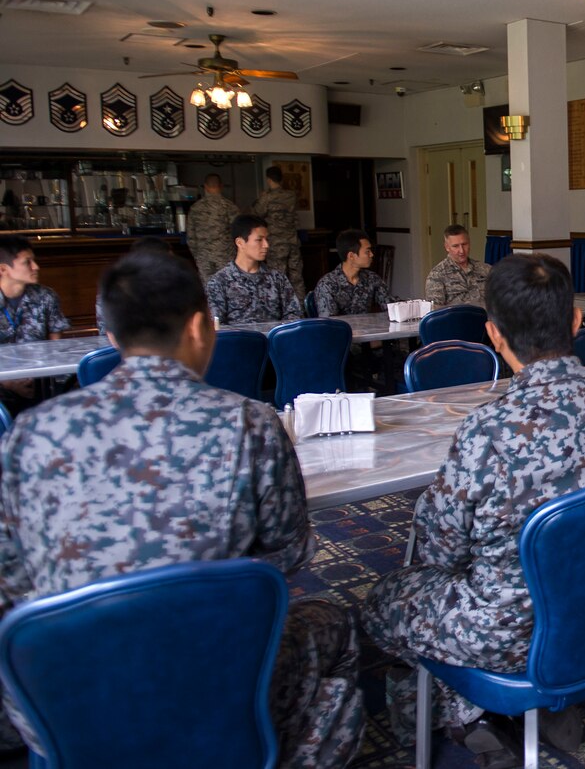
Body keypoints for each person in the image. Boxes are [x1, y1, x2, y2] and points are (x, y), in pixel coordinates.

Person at [0, 251, 365, 768]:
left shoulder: (30, 432)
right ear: (201, 326)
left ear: (110, 336)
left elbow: (13, 576)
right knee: (335, 626)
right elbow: (288, 555)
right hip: (214, 664)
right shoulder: (250, 423)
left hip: (72, 687)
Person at [362, 253, 585, 764]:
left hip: (506, 637)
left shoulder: (488, 431)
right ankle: (544, 704)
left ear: (493, 334)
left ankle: (457, 716)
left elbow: (439, 551)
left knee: (384, 598)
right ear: (576, 321)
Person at [314, 229, 400, 391]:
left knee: (397, 354)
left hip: (371, 339)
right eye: (367, 251)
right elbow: (330, 326)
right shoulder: (328, 284)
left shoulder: (371, 279)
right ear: (351, 256)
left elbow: (390, 306)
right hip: (344, 344)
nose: (372, 255)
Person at [0, 236, 70, 416]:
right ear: (3, 269)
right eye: (27, 262)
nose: (36, 267)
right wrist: (8, 383)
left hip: (40, 384)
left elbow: (56, 349)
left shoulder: (46, 297)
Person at [205, 215, 302, 325]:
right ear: (240, 243)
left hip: (273, 340)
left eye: (267, 239)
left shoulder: (277, 279)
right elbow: (216, 326)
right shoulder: (219, 282)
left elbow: (294, 315)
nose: (266, 245)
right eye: (259, 240)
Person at [95, 235, 173, 334]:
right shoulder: (118, 288)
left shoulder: (173, 286)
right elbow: (105, 329)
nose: (174, 268)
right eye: (171, 262)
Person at [252, 166, 305, 303]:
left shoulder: (267, 197)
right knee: (296, 277)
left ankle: (279, 306)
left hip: (276, 244)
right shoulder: (292, 195)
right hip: (293, 241)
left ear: (269, 180)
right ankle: (300, 307)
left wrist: (261, 198)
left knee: (277, 277)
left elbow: (257, 213)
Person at [186, 172, 240, 282]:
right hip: (225, 256)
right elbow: (238, 231)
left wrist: (198, 254)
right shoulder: (229, 206)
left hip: (203, 257)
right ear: (221, 186)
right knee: (228, 287)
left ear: (205, 186)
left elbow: (191, 237)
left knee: (208, 288)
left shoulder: (195, 208)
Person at [424, 224, 490, 306]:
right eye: (456, 246)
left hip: (485, 318)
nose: (461, 251)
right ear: (447, 247)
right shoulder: (437, 275)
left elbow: (499, 299)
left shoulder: (485, 269)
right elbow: (435, 311)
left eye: (464, 244)